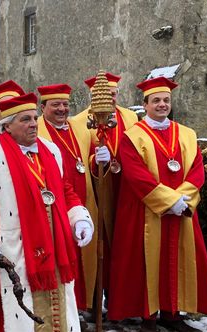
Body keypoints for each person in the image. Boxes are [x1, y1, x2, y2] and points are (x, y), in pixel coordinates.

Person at [0, 92, 94, 332]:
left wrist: (79, 217)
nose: (33, 124)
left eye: (34, 118)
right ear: (6, 126)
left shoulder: (51, 150)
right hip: (12, 250)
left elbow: (65, 190)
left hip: (54, 248)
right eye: (25, 119)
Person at [108, 77, 207, 332]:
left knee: (178, 259)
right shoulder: (132, 136)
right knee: (146, 262)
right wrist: (170, 201)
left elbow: (196, 171)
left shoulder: (186, 134)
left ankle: (173, 314)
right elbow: (136, 175)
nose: (162, 105)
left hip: (181, 211)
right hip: (146, 212)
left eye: (166, 101)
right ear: (145, 104)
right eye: (156, 100)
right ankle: (148, 316)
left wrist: (183, 200)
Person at [72, 72, 139, 314]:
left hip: (125, 189)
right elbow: (77, 155)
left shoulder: (130, 117)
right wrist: (94, 160)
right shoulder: (80, 121)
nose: (110, 99)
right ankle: (92, 302)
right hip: (98, 191)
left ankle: (120, 301)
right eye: (104, 95)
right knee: (98, 248)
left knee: (123, 247)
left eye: (113, 94)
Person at [35, 83, 99, 313]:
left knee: (84, 256)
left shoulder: (80, 129)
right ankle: (62, 310)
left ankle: (82, 306)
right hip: (55, 205)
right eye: (55, 105)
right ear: (43, 107)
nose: (62, 109)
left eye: (65, 104)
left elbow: (88, 162)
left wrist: (98, 160)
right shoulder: (37, 131)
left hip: (83, 202)